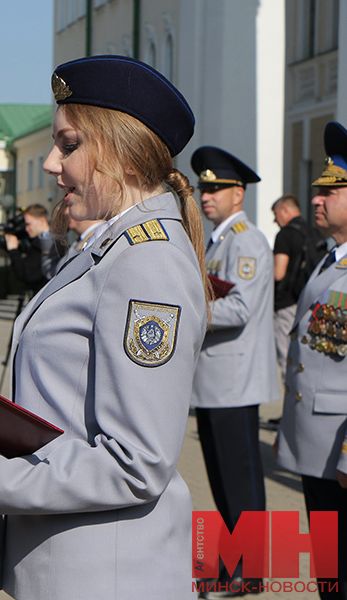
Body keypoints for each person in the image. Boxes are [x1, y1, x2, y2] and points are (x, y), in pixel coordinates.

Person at [0, 55, 209, 599]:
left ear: (124, 152)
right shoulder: (111, 246)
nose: (52, 163)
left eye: (71, 145)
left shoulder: (146, 260)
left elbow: (137, 465)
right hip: (74, 560)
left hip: (106, 572)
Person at [190, 146, 276, 596]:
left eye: (217, 188)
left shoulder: (246, 240)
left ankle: (252, 571)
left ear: (238, 194)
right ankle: (233, 566)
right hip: (214, 381)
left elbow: (239, 308)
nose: (207, 195)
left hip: (234, 382)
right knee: (223, 482)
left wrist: (190, 310)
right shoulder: (219, 239)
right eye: (204, 187)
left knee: (240, 483)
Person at [276, 120, 347, 600]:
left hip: (338, 451)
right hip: (315, 443)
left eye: (331, 191)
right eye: (317, 190)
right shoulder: (329, 258)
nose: (316, 200)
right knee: (329, 575)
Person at [271, 195, 327, 377]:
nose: (274, 220)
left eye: (275, 214)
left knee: (288, 359)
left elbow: (278, 272)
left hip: (287, 304)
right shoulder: (315, 231)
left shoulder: (285, 234)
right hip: (312, 302)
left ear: (285, 210)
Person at [4, 204, 65, 288]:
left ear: (42, 221)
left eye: (28, 224)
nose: (26, 229)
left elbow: (27, 275)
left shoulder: (45, 244)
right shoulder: (50, 240)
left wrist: (13, 250)